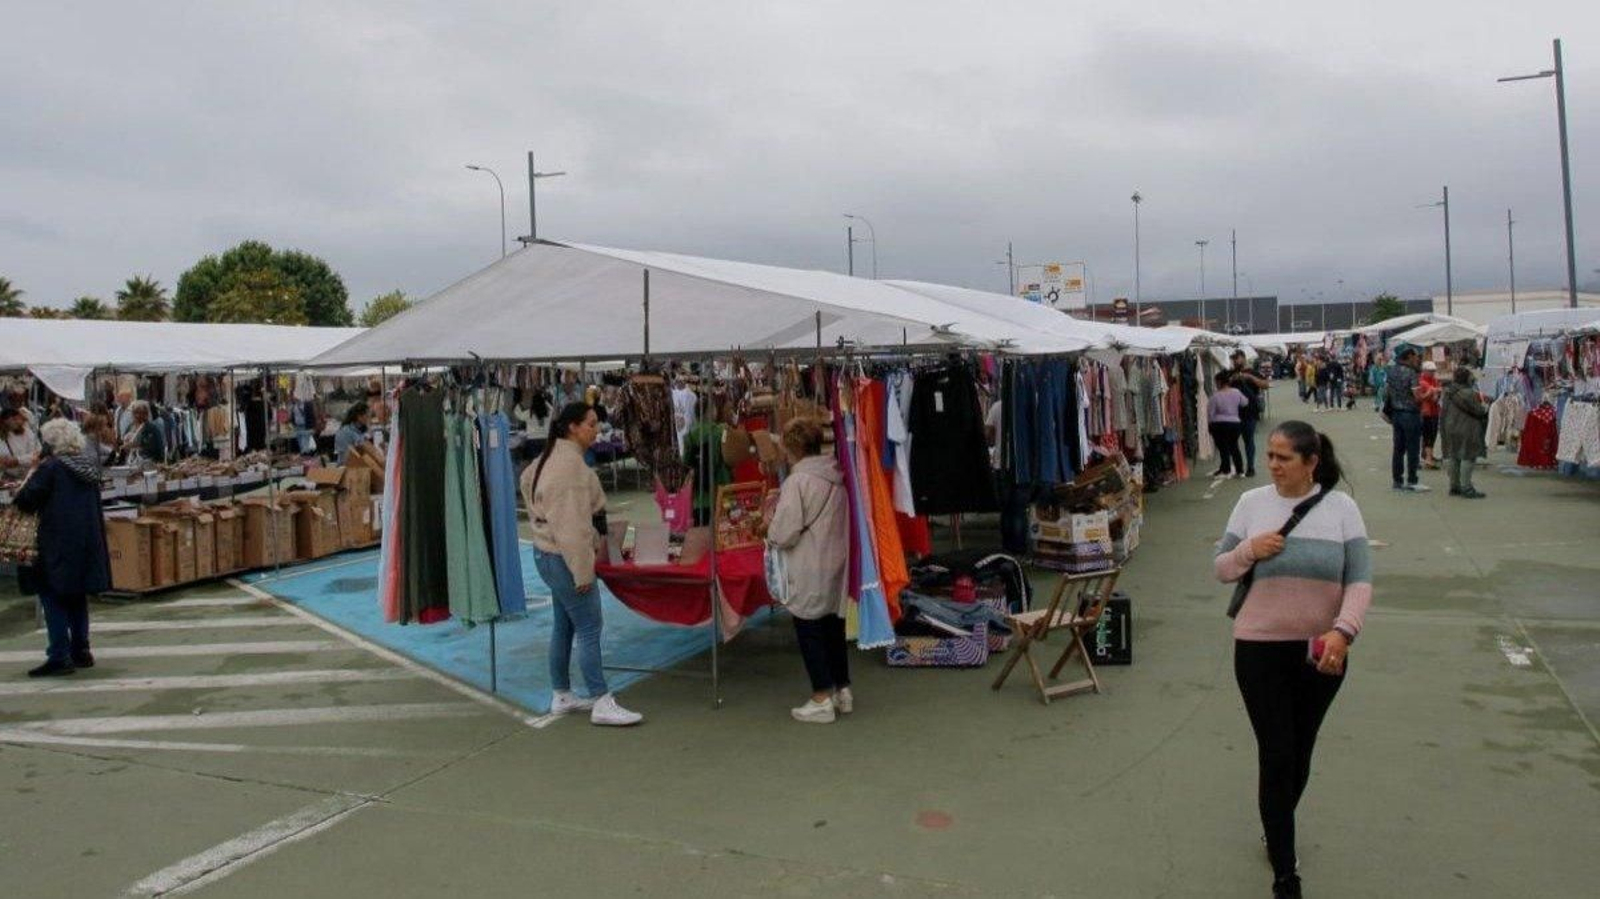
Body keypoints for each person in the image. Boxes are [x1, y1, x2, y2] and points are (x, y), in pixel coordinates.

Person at [1213, 421, 1371, 899]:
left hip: (1321, 652)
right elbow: (1221, 569)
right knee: (1277, 751)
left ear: (1311, 462)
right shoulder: (1251, 504)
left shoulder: (1342, 508)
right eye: (1270, 456)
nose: (1273, 465)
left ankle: (1275, 821)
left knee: (1301, 752)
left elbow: (1359, 580)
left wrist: (1343, 633)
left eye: (1284, 457)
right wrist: (1248, 549)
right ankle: (1285, 869)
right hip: (1259, 648)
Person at [519, 402, 642, 727]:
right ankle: (601, 699)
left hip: (547, 553)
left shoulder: (550, 458)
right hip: (564, 557)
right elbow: (572, 527)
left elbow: (527, 480)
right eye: (590, 424)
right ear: (573, 427)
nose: (596, 429)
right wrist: (583, 570)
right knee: (589, 627)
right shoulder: (568, 468)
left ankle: (562, 692)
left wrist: (539, 518)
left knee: (565, 625)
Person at [762, 418, 851, 723]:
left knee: (809, 626)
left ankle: (821, 696)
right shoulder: (836, 475)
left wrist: (768, 527)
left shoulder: (798, 482)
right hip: (835, 558)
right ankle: (842, 688)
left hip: (808, 562)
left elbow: (784, 532)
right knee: (832, 625)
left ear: (793, 447)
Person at [13, 418, 112, 677]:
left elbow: (25, 500)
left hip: (57, 542)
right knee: (77, 596)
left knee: (52, 595)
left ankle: (59, 655)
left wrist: (33, 470)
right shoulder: (86, 466)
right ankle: (81, 649)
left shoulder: (52, 468)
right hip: (86, 541)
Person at [1441, 367, 1489, 499]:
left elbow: (1443, 411)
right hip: (1467, 427)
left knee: (1453, 455)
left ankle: (1454, 486)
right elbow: (1478, 411)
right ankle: (1466, 487)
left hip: (1449, 426)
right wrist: (1485, 407)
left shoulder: (1448, 392)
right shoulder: (1469, 393)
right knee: (1468, 456)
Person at [1386, 348, 1428, 492]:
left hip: (1396, 413)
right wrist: (1429, 393)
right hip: (1410, 413)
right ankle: (1412, 480)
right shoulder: (1411, 373)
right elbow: (1417, 396)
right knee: (1413, 448)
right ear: (1409, 356)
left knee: (1398, 449)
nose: (1418, 359)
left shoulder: (1391, 371)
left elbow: (1388, 392)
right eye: (1416, 357)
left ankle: (1397, 480)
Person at [1231, 351, 1270, 478]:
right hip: (1232, 413)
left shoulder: (1252, 373)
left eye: (1237, 358)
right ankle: (1239, 467)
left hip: (1249, 412)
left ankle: (1251, 467)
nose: (1235, 361)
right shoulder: (1230, 374)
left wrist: (1250, 378)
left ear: (1243, 358)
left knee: (1249, 440)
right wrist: (1231, 380)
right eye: (1233, 359)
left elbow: (1265, 385)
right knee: (1232, 442)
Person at [1207, 371, 1248, 478]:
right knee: (1234, 446)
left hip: (1219, 424)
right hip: (1234, 422)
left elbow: (1211, 413)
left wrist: (1209, 425)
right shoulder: (1236, 392)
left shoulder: (1215, 396)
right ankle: (1240, 470)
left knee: (1223, 447)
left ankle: (1225, 469)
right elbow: (1245, 403)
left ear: (1219, 382)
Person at [120, 401, 165, 467]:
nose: (138, 415)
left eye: (141, 413)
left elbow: (155, 448)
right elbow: (124, 444)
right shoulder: (130, 427)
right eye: (135, 412)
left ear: (146, 414)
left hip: (147, 464)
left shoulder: (151, 429)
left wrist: (135, 446)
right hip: (130, 463)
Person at [1418, 360, 1443, 469]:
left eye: (1433, 371)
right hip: (1426, 412)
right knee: (1428, 434)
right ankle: (1427, 457)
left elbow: (1436, 393)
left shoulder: (1434, 380)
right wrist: (1434, 392)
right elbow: (1431, 394)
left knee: (1432, 434)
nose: (1432, 373)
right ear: (1424, 371)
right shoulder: (1421, 381)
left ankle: (1428, 455)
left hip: (1434, 410)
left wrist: (1435, 392)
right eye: (1430, 371)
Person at [1, 407, 42, 474]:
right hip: (8, 477)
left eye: (16, 418)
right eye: (12, 419)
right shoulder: (2, 437)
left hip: (29, 474)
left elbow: (38, 454)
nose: (17, 422)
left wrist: (18, 460)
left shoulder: (28, 433)